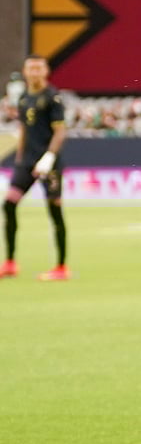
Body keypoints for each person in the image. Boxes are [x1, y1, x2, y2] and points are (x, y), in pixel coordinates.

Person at [2, 55, 70, 281]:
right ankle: (10, 262)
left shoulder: (53, 97)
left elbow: (60, 131)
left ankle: (61, 267)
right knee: (9, 204)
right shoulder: (23, 97)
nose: (35, 72)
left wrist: (49, 157)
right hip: (27, 162)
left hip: (48, 163)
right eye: (31, 68)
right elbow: (23, 128)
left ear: (46, 70)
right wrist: (20, 158)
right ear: (25, 71)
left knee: (55, 210)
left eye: (39, 68)